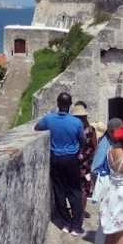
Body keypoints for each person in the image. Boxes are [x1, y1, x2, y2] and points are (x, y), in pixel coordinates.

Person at [34, 92, 86, 236]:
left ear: (57, 104)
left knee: (59, 191)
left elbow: (37, 128)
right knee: (74, 191)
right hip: (71, 159)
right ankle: (76, 226)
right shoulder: (76, 122)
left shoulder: (49, 119)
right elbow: (82, 140)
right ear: (70, 105)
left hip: (55, 158)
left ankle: (65, 223)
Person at [72, 103, 97, 219]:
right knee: (84, 189)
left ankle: (75, 211)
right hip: (86, 164)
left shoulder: (72, 129)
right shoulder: (91, 130)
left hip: (72, 162)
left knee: (73, 188)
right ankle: (81, 212)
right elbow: (95, 146)